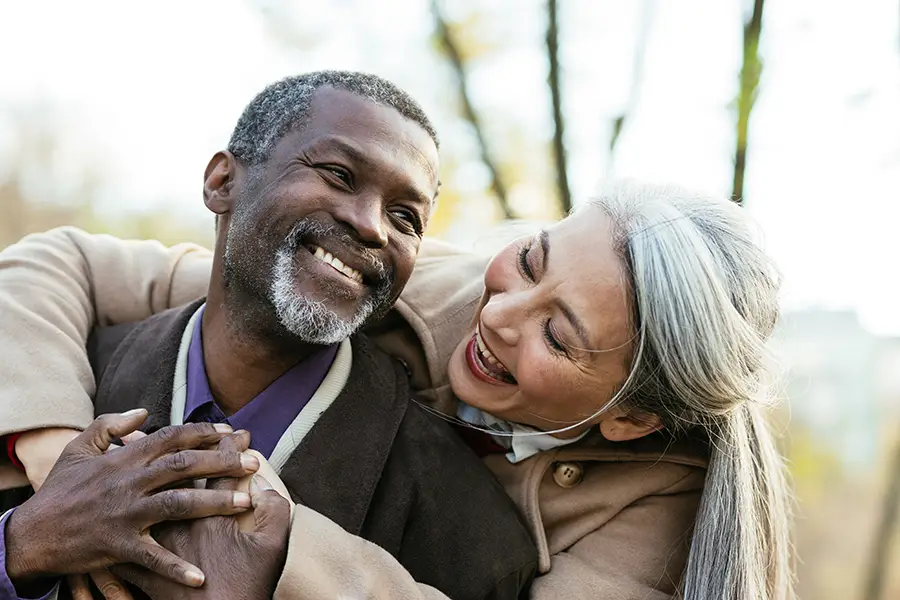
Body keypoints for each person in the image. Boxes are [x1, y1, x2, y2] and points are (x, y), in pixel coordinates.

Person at [0, 181, 796, 597]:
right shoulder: (404, 282)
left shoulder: (662, 512)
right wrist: (62, 462)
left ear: (630, 418)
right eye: (530, 258)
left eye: (558, 335)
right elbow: (59, 261)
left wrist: (288, 548)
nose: (501, 314)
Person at [0, 71, 539, 600]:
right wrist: (20, 548)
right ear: (222, 183)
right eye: (339, 174)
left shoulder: (471, 533)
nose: (374, 226)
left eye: (406, 216)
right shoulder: (52, 391)